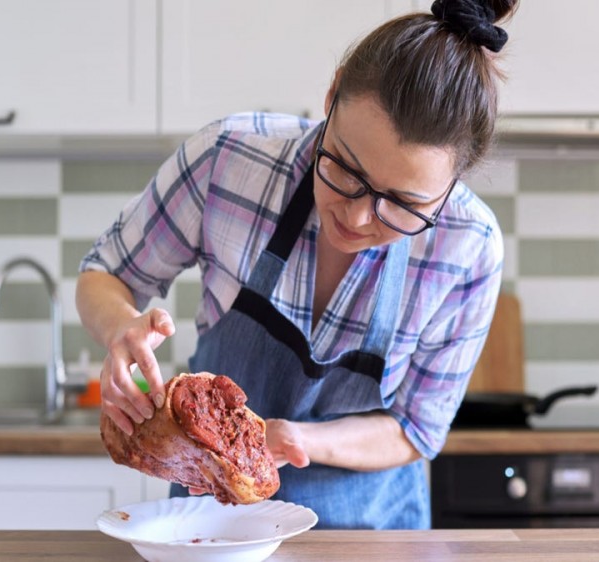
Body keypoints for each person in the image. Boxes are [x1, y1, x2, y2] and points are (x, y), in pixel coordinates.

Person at [76, 0, 515, 530]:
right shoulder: (229, 159)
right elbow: (107, 272)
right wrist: (120, 327)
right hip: (211, 528)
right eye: (345, 168)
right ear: (331, 97)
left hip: (369, 538)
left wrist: (298, 439)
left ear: (452, 186)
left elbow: (416, 429)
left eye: (402, 204)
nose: (355, 215)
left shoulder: (469, 246)